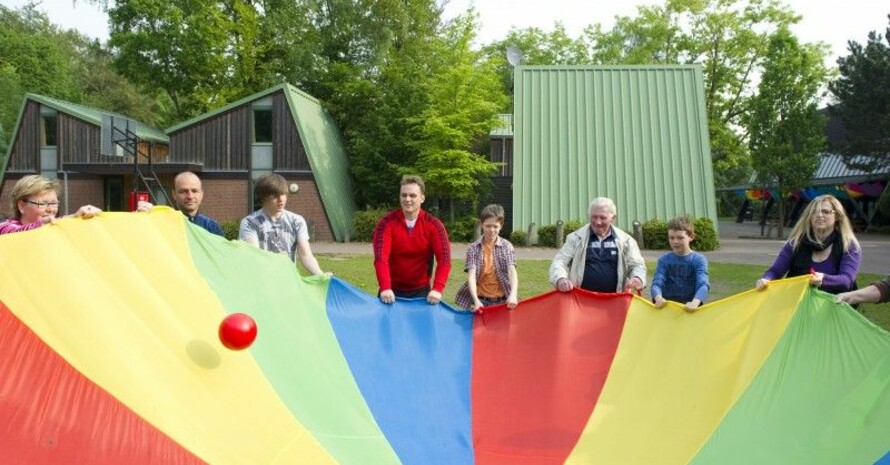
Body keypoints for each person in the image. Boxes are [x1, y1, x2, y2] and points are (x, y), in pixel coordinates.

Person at [755, 194, 860, 294]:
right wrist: (766, 280)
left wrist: (824, 279)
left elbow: (847, 281)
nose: (819, 215)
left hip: (834, 306)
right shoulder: (795, 244)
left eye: (825, 211)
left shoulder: (849, 246)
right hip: (797, 304)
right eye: (814, 212)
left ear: (837, 216)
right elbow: (775, 271)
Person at [372, 175, 451, 305]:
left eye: (412, 195)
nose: (407, 199)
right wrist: (385, 287)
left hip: (421, 292)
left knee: (420, 326)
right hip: (390, 291)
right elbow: (381, 258)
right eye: (404, 195)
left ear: (422, 198)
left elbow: (444, 259)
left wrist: (437, 289)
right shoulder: (386, 223)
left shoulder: (435, 225)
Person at [550, 197, 646, 294]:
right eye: (594, 217)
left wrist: (638, 278)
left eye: (602, 217)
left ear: (613, 218)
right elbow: (560, 261)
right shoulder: (575, 238)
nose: (597, 222)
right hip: (580, 300)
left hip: (615, 301)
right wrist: (560, 279)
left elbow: (637, 265)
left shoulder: (627, 241)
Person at [238, 173, 326, 276]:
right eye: (275, 195)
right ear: (262, 197)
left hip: (289, 281)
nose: (281, 199)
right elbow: (254, 256)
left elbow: (306, 256)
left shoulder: (297, 221)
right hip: (261, 282)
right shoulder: (250, 222)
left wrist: (320, 275)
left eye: (283, 194)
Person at [455, 204, 519, 311]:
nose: (491, 230)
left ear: (501, 226)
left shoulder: (507, 246)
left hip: (503, 300)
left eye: (495, 226)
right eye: (488, 226)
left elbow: (512, 271)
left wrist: (513, 295)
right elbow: (471, 276)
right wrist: (476, 300)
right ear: (482, 225)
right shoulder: (473, 248)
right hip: (480, 301)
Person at [0, 174, 101, 235]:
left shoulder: (57, 230)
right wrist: (73, 217)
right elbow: (17, 234)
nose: (50, 209)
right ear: (22, 206)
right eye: (43, 204)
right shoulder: (5, 227)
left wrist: (83, 217)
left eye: (53, 203)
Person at [650, 215, 709, 311]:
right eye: (671, 238)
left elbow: (703, 285)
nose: (675, 241)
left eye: (680, 238)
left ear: (691, 237)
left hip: (690, 310)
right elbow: (656, 284)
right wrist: (658, 297)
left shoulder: (699, 260)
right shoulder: (663, 260)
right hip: (667, 310)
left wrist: (695, 302)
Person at [138, 171, 224, 236]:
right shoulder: (160, 223)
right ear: (174, 195)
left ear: (201, 194)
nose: (190, 196)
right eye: (183, 191)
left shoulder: (212, 227)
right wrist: (140, 222)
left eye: (194, 191)